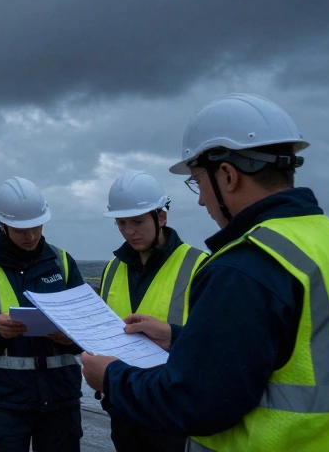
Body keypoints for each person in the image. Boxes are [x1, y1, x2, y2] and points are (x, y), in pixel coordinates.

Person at [81, 93, 329, 451]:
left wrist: (112, 378)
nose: (200, 200)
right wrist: (179, 337)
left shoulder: (245, 266)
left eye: (198, 182)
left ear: (227, 176)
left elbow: (198, 402)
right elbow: (296, 349)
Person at [0, 176, 87, 452]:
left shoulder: (62, 262)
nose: (31, 236)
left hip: (60, 398)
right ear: (1, 224)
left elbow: (86, 322)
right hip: (5, 400)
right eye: (21, 229)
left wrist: (70, 336)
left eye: (36, 226)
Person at [97, 169, 207, 452]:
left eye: (137, 221)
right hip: (123, 407)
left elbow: (212, 343)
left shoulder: (198, 266)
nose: (129, 231)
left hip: (171, 410)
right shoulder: (112, 269)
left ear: (162, 217)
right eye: (121, 223)